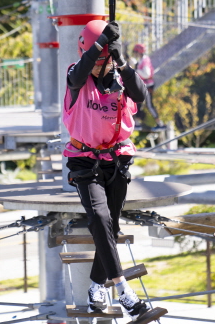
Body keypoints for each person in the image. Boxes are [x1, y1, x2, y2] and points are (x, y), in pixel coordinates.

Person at [62, 20, 150, 320]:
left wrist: (120, 60)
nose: (101, 66)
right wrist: (99, 45)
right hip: (85, 160)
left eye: (106, 61)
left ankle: (96, 287)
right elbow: (77, 76)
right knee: (99, 218)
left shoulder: (120, 77)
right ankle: (123, 291)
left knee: (110, 226)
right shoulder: (77, 77)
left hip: (117, 159)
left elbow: (141, 95)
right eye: (97, 61)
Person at [132, 43, 165, 131]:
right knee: (138, 103)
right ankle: (137, 123)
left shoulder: (145, 60)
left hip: (147, 86)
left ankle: (160, 124)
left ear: (139, 52)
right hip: (144, 85)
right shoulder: (142, 60)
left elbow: (146, 74)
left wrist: (137, 70)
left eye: (135, 52)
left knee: (149, 105)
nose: (135, 53)